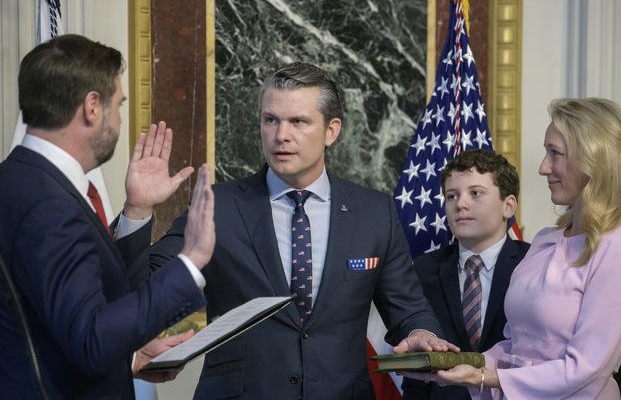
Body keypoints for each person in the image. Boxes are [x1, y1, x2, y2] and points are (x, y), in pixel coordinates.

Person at [142, 62, 458, 400]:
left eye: (299, 121)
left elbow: (407, 308)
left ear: (331, 131)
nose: (281, 135)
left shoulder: (374, 212)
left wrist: (423, 333)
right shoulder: (219, 204)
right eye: (271, 120)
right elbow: (147, 282)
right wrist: (138, 210)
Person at [0, 34, 216, 399]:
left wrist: (137, 209)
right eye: (118, 105)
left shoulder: (19, 179)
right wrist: (190, 262)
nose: (118, 119)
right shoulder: (48, 204)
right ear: (92, 106)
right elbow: (92, 339)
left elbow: (53, 329)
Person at [404, 97, 621, 399]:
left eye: (554, 153)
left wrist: (484, 377)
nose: (544, 167)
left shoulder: (615, 247)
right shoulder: (547, 240)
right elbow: (514, 345)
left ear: (594, 158)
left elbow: (585, 368)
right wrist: (458, 365)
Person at [402, 149, 530, 400]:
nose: (460, 203)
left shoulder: (533, 264)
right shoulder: (423, 269)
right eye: (452, 196)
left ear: (508, 205)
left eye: (475, 193)